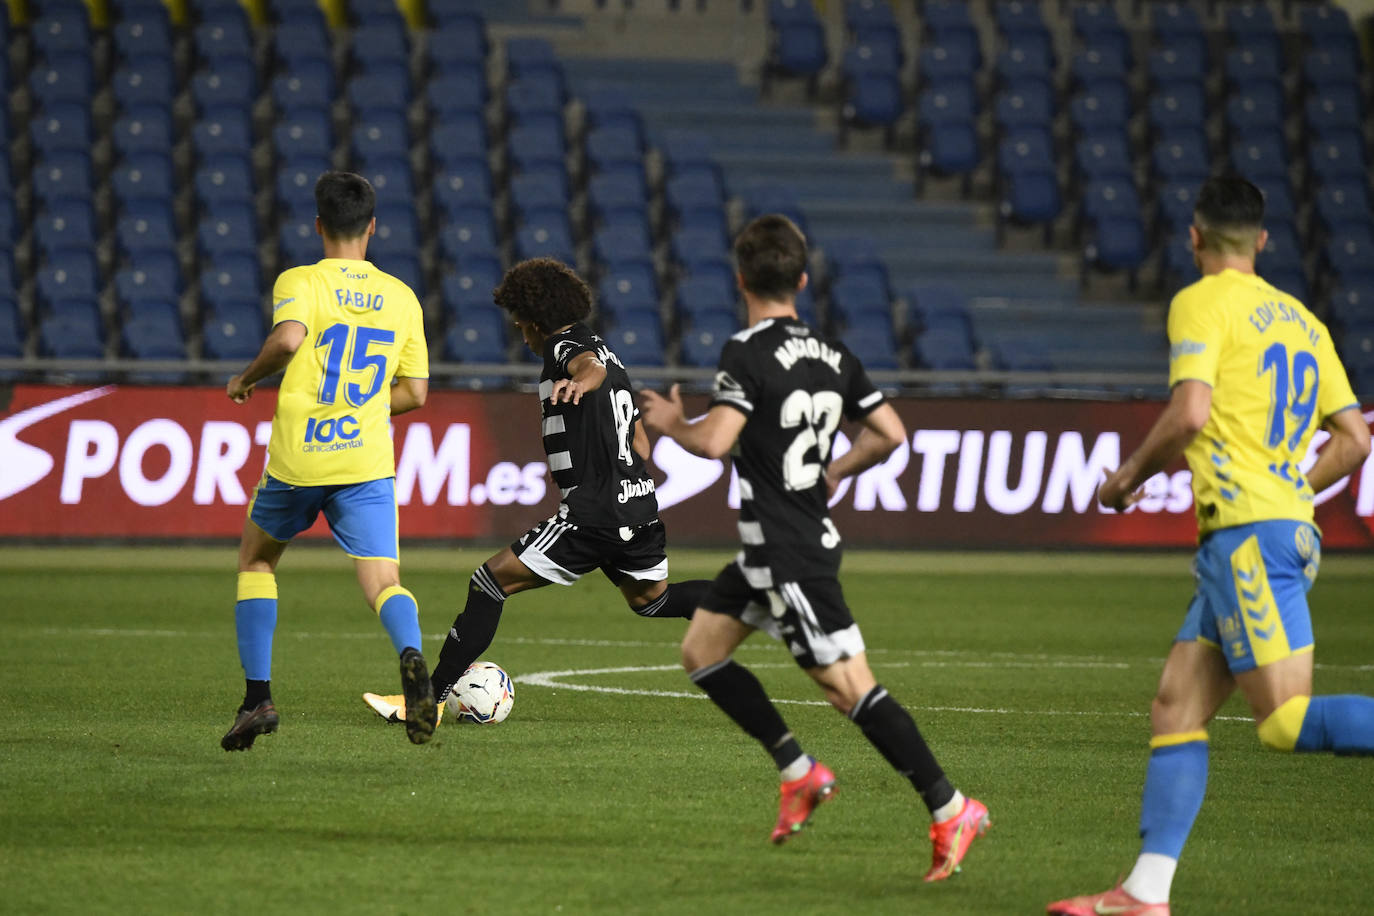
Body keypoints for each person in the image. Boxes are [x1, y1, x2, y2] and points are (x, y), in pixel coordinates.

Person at [1047, 176, 1373, 915]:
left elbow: (1190, 412)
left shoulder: (1199, 301)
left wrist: (1127, 477)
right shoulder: (1302, 320)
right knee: (1175, 707)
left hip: (1248, 538)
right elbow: (1354, 439)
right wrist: (1294, 484)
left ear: (1194, 239)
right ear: (1261, 241)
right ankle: (1144, 894)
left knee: (1285, 723)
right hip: (1277, 529)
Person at [639, 215, 989, 881]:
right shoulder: (834, 355)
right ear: (801, 280)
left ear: (740, 280)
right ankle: (799, 772)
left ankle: (951, 806)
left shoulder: (745, 350)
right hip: (772, 548)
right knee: (701, 651)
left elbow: (715, 443)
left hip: (787, 552)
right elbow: (889, 432)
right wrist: (834, 471)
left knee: (848, 687)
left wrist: (669, 423)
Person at [362, 257, 710, 725]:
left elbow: (589, 370)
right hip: (639, 509)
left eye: (518, 322)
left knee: (489, 582)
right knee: (654, 600)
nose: (519, 332)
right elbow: (638, 439)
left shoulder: (567, 347)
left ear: (532, 319)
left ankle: (427, 701)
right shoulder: (607, 348)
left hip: (594, 514)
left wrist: (577, 385)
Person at [220, 171, 437, 751]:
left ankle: (257, 698)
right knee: (383, 580)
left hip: (299, 457)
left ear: (318, 226)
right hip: (365, 461)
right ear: (372, 226)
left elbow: (289, 341)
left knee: (257, 561)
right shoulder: (401, 297)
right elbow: (415, 394)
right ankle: (412, 657)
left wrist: (245, 378)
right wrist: (362, 405)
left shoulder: (301, 280)